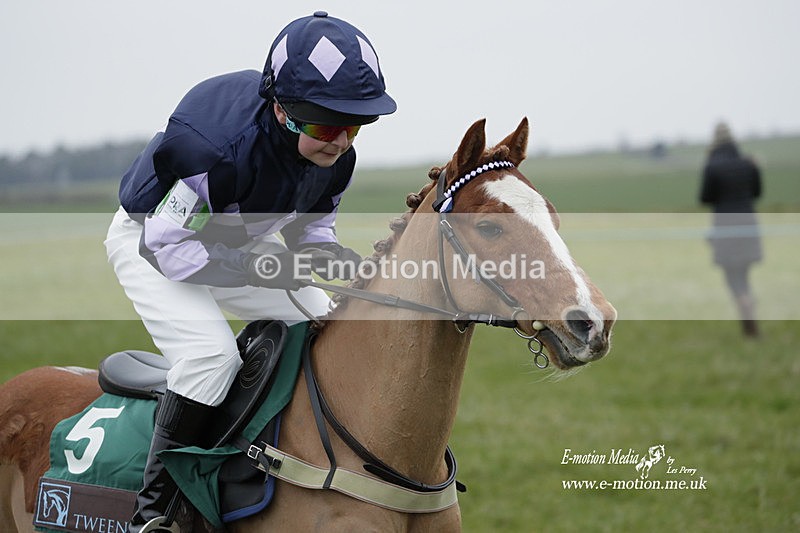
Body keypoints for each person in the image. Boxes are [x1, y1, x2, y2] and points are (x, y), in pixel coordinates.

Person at [104, 12, 396, 531]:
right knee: (210, 358)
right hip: (151, 240)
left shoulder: (337, 159)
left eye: (354, 127)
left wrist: (330, 257)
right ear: (282, 111)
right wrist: (256, 264)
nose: (341, 141)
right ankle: (156, 512)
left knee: (325, 321)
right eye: (327, 126)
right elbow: (168, 247)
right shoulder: (216, 151)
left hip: (233, 243)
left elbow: (312, 232)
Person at [700, 122, 762, 337]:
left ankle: (746, 312)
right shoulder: (748, 163)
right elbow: (757, 192)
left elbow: (705, 197)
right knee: (744, 275)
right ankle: (750, 313)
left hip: (725, 227)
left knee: (733, 278)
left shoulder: (712, 166)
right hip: (748, 225)